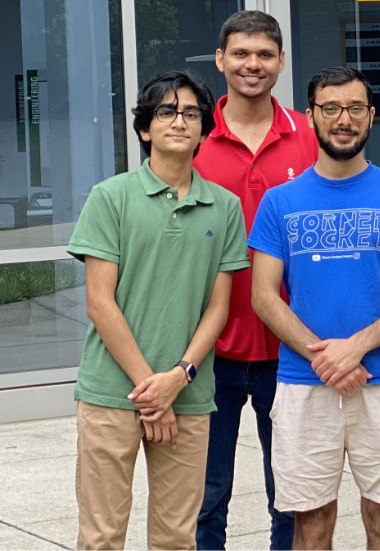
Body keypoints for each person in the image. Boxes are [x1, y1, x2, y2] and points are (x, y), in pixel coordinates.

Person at [249, 66, 380, 550]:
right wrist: (325, 358)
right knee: (311, 528)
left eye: (355, 108)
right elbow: (263, 296)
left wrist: (355, 349)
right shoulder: (279, 202)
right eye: (330, 108)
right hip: (303, 387)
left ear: (371, 116)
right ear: (311, 116)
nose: (343, 119)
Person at [67, 71, 249, 550]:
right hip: (111, 394)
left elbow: (218, 307)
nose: (179, 121)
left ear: (204, 130)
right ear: (145, 128)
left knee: (176, 538)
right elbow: (99, 303)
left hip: (188, 394)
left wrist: (178, 378)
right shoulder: (111, 197)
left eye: (191, 113)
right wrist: (152, 389)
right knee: (102, 536)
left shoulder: (225, 206)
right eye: (166, 112)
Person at [194, 10, 317, 550]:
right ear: (220, 60)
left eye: (265, 54)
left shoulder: (310, 135)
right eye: (240, 53)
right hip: (207, 348)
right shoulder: (190, 137)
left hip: (292, 348)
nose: (253, 64)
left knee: (289, 493)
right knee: (206, 493)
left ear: (281, 62)